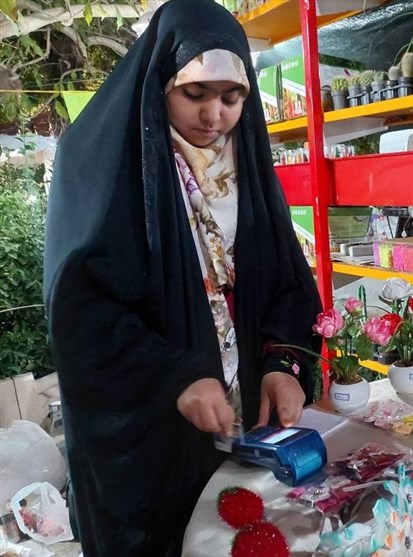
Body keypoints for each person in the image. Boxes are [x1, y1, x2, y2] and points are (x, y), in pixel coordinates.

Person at [43, 1, 321, 555]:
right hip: (150, 431)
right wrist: (176, 376)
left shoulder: (246, 164)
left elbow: (287, 282)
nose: (214, 115)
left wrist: (281, 364)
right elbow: (82, 310)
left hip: (242, 416)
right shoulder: (102, 161)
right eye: (194, 93)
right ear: (160, 81)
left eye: (231, 97)